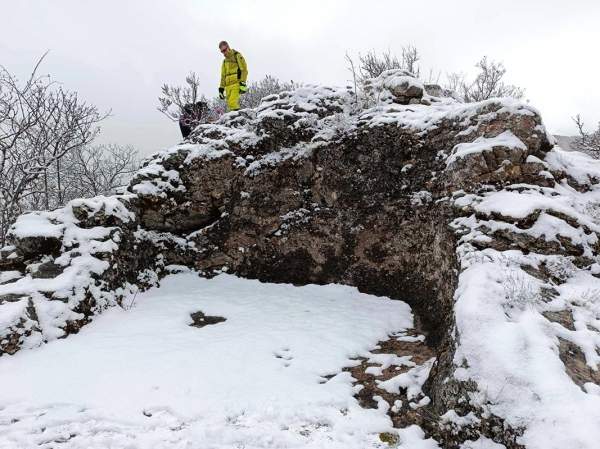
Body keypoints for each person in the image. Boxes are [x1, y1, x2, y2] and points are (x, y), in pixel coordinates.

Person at [218, 41, 248, 112]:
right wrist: (221, 88)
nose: (224, 53)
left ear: (228, 47)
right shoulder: (224, 61)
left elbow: (244, 69)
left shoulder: (237, 55)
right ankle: (235, 120)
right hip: (228, 86)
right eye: (222, 51)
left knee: (232, 103)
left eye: (224, 50)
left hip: (236, 83)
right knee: (229, 105)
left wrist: (242, 82)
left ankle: (237, 119)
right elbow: (223, 76)